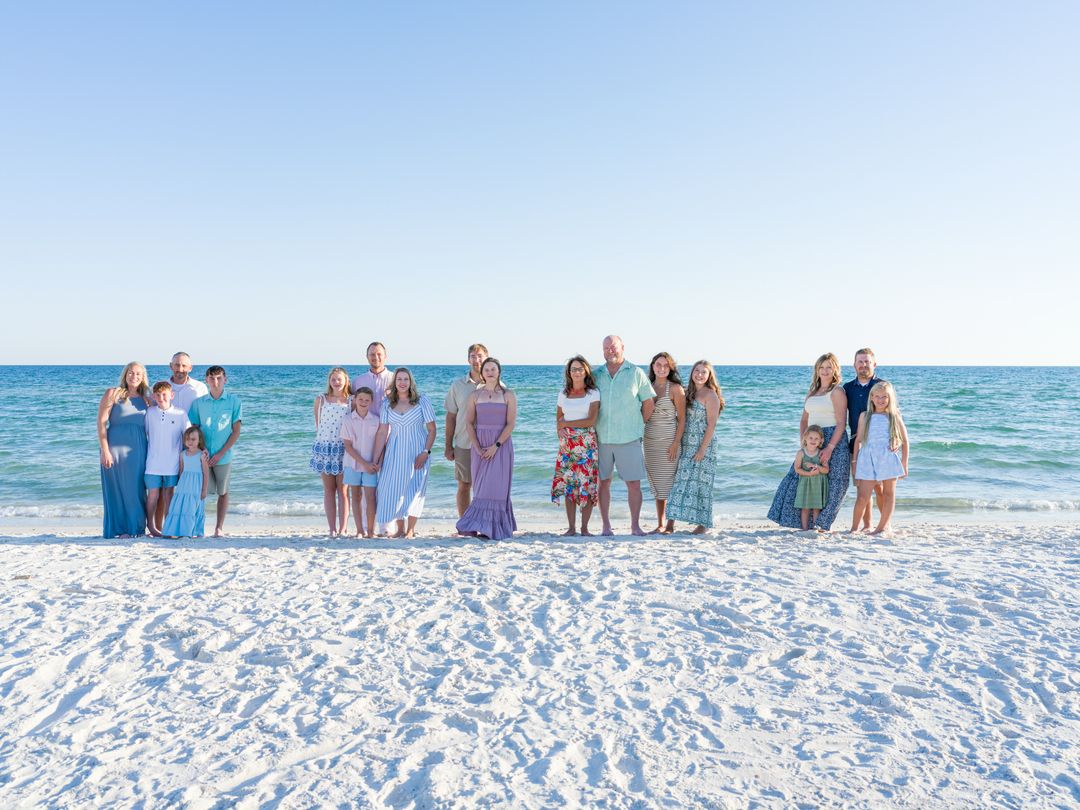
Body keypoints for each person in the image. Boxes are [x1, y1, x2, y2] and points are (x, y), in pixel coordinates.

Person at [767, 353, 850, 530]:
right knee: (797, 478)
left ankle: (822, 524)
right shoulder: (812, 391)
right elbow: (804, 420)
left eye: (829, 367)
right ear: (817, 370)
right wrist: (804, 442)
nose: (825, 371)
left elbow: (842, 423)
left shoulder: (837, 391)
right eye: (822, 367)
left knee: (835, 482)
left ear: (835, 369)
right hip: (812, 439)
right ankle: (801, 524)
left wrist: (829, 447)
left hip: (833, 438)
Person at [594, 335, 655, 536]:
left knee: (634, 484)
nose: (609, 351)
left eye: (613, 347)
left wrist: (639, 426)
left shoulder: (636, 372)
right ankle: (606, 526)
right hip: (602, 438)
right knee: (603, 483)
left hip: (629, 438)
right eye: (606, 348)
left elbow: (648, 402)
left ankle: (635, 526)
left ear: (622, 347)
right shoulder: (596, 375)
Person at [455, 358, 518, 539]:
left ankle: (496, 528)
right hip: (480, 447)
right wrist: (476, 446)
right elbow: (468, 422)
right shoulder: (475, 396)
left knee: (497, 488)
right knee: (481, 489)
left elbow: (510, 424)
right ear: (482, 373)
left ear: (499, 372)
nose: (490, 372)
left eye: (493, 369)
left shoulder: (508, 395)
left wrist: (496, 446)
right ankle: (479, 526)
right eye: (487, 369)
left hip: (501, 446)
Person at [373, 368, 437, 538]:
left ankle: (410, 529)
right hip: (394, 451)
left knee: (415, 488)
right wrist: (377, 457)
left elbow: (432, 429)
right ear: (394, 382)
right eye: (399, 379)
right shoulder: (387, 403)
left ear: (411, 382)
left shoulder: (422, 400)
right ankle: (400, 529)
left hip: (418, 450)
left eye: (406, 379)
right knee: (394, 489)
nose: (402, 382)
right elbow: (382, 432)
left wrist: (426, 452)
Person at [666, 361, 725, 534]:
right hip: (686, 443)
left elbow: (711, 425)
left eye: (704, 372)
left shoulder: (710, 395)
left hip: (703, 445)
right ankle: (670, 523)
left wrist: (702, 450)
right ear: (692, 373)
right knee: (679, 482)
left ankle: (703, 524)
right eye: (697, 371)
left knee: (702, 485)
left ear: (709, 376)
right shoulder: (688, 392)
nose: (699, 374)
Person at [97, 362, 152, 538]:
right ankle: (119, 530)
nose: (134, 376)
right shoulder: (113, 394)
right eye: (131, 372)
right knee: (115, 490)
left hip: (138, 450)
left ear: (143, 377)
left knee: (136, 490)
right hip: (113, 449)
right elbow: (101, 422)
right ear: (125, 374)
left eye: (138, 374)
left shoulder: (147, 399)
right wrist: (105, 450)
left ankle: (136, 529)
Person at [188, 366, 242, 537]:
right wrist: (202, 450)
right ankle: (196, 527)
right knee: (199, 491)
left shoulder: (234, 402)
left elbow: (236, 431)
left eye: (219, 378)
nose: (215, 382)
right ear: (206, 380)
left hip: (223, 456)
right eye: (211, 378)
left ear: (225, 379)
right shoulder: (198, 403)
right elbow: (194, 429)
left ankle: (219, 528)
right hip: (202, 455)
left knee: (223, 491)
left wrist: (220, 453)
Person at [551, 356, 601, 536]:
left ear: (586, 370)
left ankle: (584, 528)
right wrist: (561, 430)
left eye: (580, 368)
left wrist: (565, 425)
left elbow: (591, 420)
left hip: (587, 444)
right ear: (569, 372)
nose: (577, 372)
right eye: (573, 369)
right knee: (570, 486)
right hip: (567, 446)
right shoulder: (563, 394)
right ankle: (571, 528)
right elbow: (558, 420)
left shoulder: (593, 393)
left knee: (586, 485)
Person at [851, 381, 909, 536]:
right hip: (867, 458)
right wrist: (855, 462)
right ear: (871, 398)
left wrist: (904, 463)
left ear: (890, 398)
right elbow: (858, 441)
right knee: (863, 496)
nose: (881, 400)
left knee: (888, 493)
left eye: (884, 397)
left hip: (887, 457)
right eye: (877, 396)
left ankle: (881, 527)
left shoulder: (894, 415)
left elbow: (905, 439)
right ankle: (854, 528)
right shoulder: (865, 416)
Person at [843, 348, 886, 531]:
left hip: (880, 443)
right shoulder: (847, 388)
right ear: (854, 365)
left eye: (867, 362)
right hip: (856, 442)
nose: (863, 365)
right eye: (860, 362)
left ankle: (884, 524)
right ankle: (867, 525)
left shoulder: (882, 386)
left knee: (880, 487)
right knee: (862, 487)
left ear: (874, 364)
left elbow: (893, 414)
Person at [643, 352, 686, 533]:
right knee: (658, 484)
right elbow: (644, 418)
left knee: (670, 484)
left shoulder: (675, 388)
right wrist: (650, 401)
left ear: (671, 368)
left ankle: (670, 524)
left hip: (669, 442)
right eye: (658, 365)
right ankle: (660, 524)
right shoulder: (646, 387)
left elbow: (682, 419)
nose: (661, 368)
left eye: (665, 365)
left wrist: (676, 442)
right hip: (650, 442)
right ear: (652, 367)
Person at [444, 343, 487, 518]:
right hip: (463, 443)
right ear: (468, 359)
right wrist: (448, 445)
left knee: (485, 487)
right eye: (473, 356)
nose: (477, 360)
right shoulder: (458, 385)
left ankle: (483, 521)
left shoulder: (496, 384)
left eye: (480, 356)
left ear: (486, 357)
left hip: (488, 445)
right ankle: (465, 524)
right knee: (464, 485)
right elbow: (451, 416)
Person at [144, 381, 190, 537]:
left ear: (172, 395)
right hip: (152, 463)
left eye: (164, 394)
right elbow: (144, 434)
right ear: (153, 396)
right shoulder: (149, 413)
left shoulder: (180, 414)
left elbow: (188, 436)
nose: (161, 397)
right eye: (157, 394)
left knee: (169, 494)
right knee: (153, 495)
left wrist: (198, 452)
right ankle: (150, 526)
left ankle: (169, 527)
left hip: (172, 464)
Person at [311, 367, 352, 537]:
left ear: (345, 380)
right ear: (329, 381)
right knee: (328, 490)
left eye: (339, 379)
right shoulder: (321, 400)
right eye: (333, 379)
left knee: (343, 491)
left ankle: (343, 528)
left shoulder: (351, 401)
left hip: (343, 448)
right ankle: (332, 529)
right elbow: (317, 424)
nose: (336, 382)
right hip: (325, 448)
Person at [341, 387, 380, 538]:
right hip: (352, 464)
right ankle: (359, 530)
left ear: (371, 402)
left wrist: (376, 463)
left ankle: (371, 531)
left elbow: (380, 443)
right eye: (361, 399)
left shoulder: (376, 420)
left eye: (367, 400)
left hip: (371, 466)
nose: (363, 402)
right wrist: (365, 464)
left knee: (371, 497)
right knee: (355, 496)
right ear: (355, 400)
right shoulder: (348, 419)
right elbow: (348, 446)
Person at [162, 426, 209, 538]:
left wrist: (204, 490)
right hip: (184, 486)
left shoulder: (202, 455)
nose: (190, 442)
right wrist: (179, 486)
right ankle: (175, 531)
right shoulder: (182, 454)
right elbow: (181, 470)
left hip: (195, 487)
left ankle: (190, 532)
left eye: (193, 439)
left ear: (199, 440)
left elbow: (206, 474)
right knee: (179, 507)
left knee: (192, 508)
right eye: (188, 439)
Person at [794, 425, 830, 531]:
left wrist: (816, 466)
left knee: (816, 508)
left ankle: (815, 528)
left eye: (816, 438)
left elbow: (826, 470)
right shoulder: (801, 453)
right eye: (811, 438)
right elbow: (797, 469)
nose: (813, 440)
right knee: (805, 507)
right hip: (805, 483)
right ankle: (804, 529)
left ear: (821, 440)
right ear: (805, 438)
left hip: (818, 484)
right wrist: (809, 474)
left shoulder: (821, 453)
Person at [353, 342, 394, 417]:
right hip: (365, 427)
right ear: (367, 357)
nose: (376, 357)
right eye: (372, 354)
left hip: (390, 427)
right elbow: (351, 406)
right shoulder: (358, 381)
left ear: (385, 356)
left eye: (379, 354)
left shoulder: (395, 379)